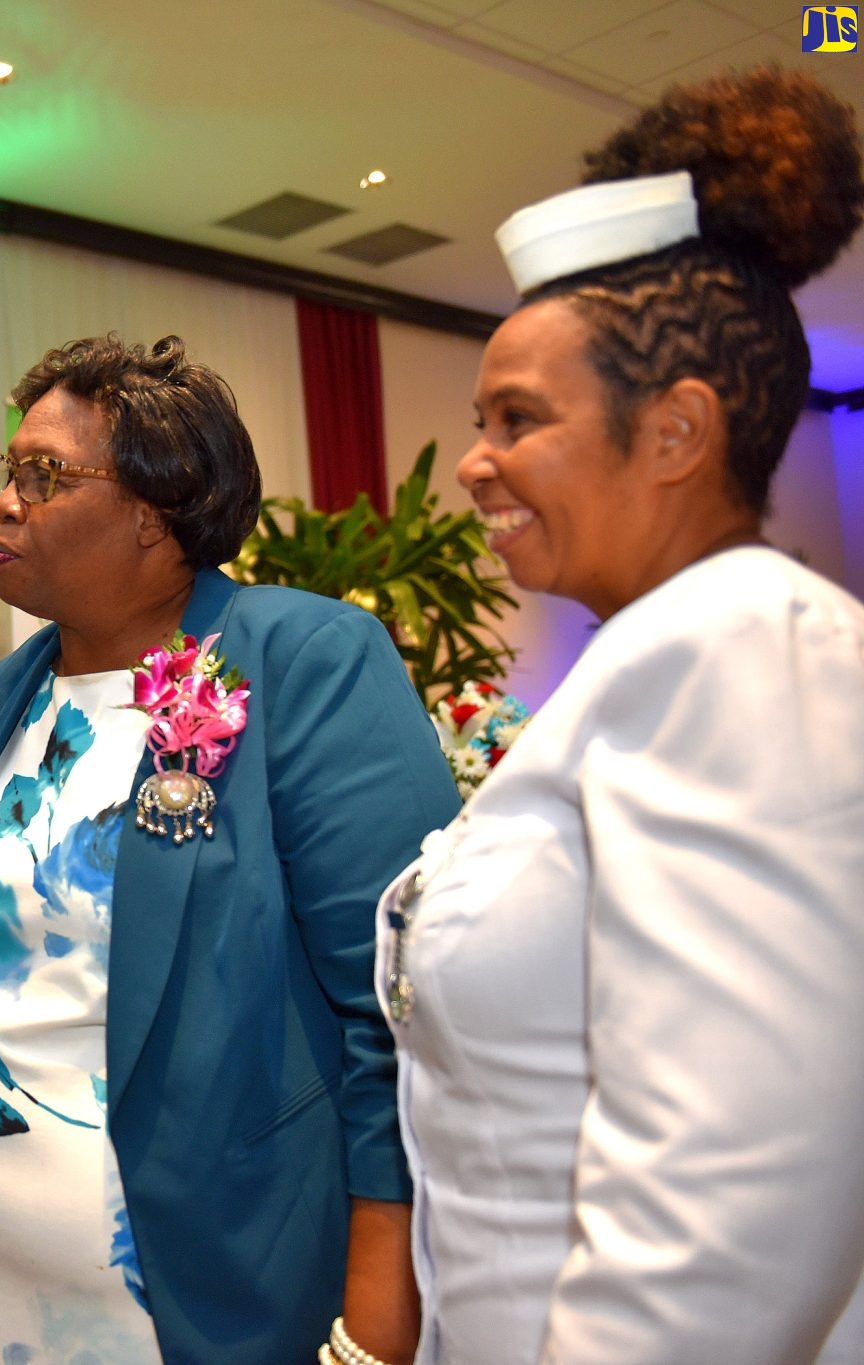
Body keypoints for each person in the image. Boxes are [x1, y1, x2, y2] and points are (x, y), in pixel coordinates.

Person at [382, 67, 864, 1363]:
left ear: (677, 432)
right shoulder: (647, 660)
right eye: (479, 421)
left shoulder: (745, 652)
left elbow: (728, 1220)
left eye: (519, 421)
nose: (475, 461)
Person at [0, 335, 460, 1364]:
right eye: (7, 471)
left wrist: (379, 1301)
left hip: (188, 1293)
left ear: (154, 512)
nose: (5, 500)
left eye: (43, 475)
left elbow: (399, 1000)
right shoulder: (17, 691)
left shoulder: (300, 659)